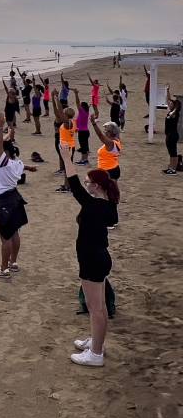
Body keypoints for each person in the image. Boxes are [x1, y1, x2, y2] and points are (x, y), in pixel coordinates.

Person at [58, 143, 119, 367]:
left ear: (96, 186)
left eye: (88, 183)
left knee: (96, 309)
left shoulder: (94, 205)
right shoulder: (107, 205)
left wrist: (66, 157)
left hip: (92, 260)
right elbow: (78, 187)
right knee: (99, 307)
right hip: (98, 258)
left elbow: (74, 186)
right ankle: (97, 342)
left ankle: (96, 354)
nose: (86, 185)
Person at [0, 115, 36, 278]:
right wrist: (30, 168)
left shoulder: (4, 163)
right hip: (14, 198)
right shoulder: (17, 163)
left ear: (6, 154)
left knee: (6, 238)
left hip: (4, 201)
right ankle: (13, 262)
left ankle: (4, 269)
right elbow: (24, 166)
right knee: (15, 233)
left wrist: (1, 127)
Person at [52, 89, 76, 192]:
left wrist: (56, 98)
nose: (62, 114)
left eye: (64, 113)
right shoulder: (71, 122)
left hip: (68, 147)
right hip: (67, 146)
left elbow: (60, 112)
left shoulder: (68, 123)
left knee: (68, 168)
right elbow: (59, 112)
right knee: (67, 167)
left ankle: (68, 186)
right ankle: (67, 185)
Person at [91, 115, 122, 182]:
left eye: (106, 130)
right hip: (114, 168)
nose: (104, 131)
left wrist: (93, 123)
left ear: (111, 133)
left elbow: (100, 135)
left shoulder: (110, 143)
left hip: (108, 170)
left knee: (106, 191)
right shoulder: (116, 140)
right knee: (113, 190)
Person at [163, 86, 180, 175]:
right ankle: (170, 167)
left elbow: (176, 108)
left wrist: (176, 105)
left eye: (172, 104)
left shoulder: (175, 114)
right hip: (169, 134)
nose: (169, 104)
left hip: (173, 134)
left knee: (174, 152)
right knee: (170, 152)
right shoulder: (171, 111)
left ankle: (174, 169)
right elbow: (168, 100)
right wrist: (167, 90)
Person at [73, 88, 91, 166]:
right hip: (85, 131)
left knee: (83, 146)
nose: (79, 106)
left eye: (81, 106)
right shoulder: (86, 112)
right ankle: (84, 159)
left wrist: (76, 94)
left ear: (82, 107)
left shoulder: (82, 112)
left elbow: (77, 102)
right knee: (85, 146)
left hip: (83, 132)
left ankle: (84, 160)